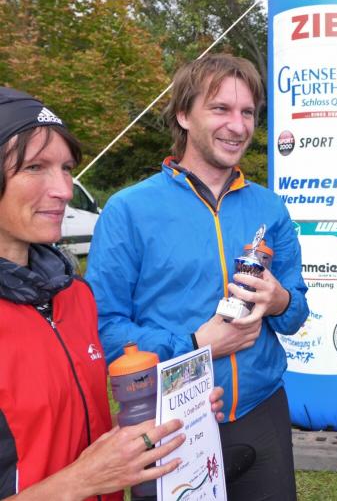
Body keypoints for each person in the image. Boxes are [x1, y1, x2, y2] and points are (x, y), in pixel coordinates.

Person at [86, 54, 309, 501]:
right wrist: (194, 345)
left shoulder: (270, 208)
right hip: (173, 421)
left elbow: (296, 313)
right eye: (220, 109)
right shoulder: (129, 210)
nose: (238, 126)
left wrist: (280, 299)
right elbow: (103, 330)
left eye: (248, 112)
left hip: (262, 410)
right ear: (184, 115)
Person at [0, 86, 224, 500]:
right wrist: (83, 480)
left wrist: (167, 418)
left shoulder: (74, 296)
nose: (65, 189)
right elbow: (85, 470)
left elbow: (76, 431)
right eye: (35, 167)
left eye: (66, 168)